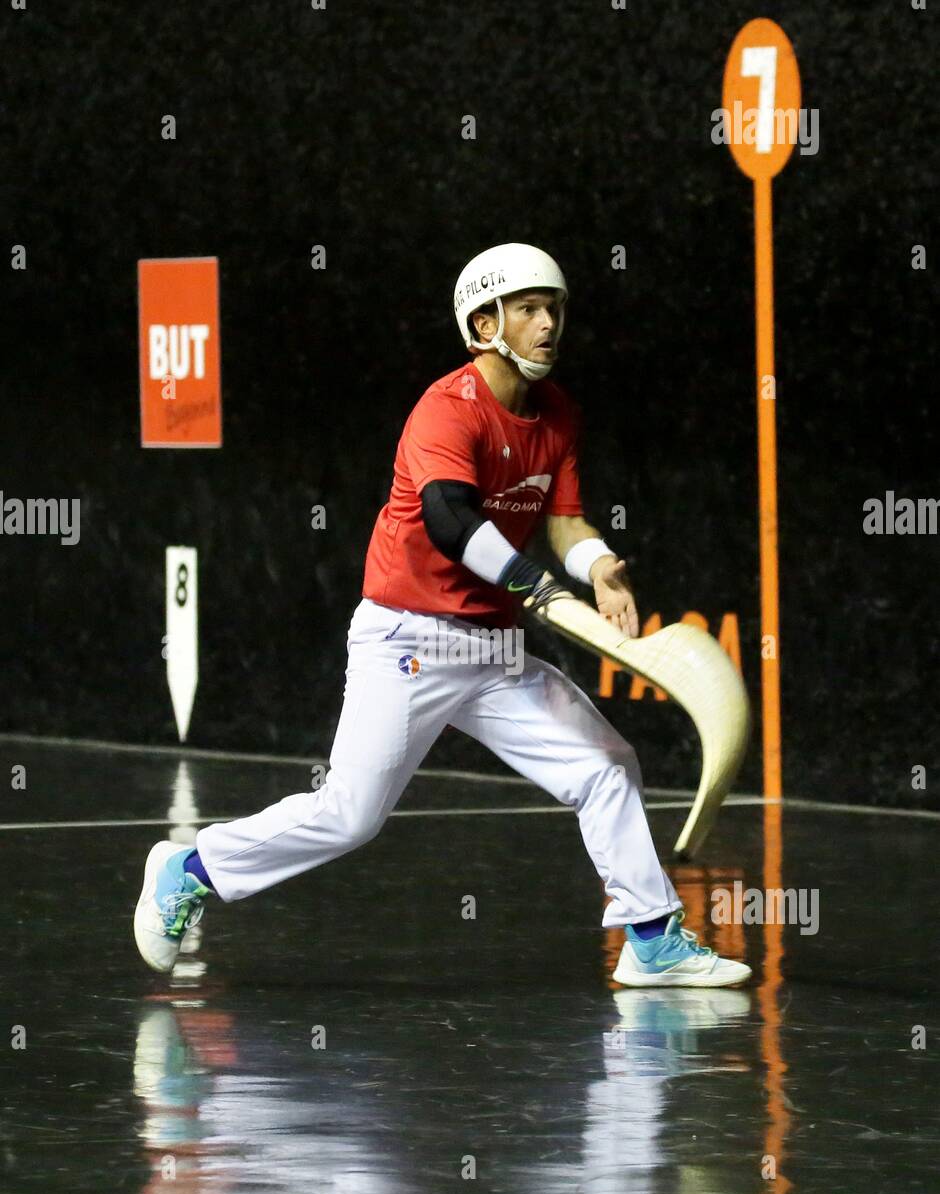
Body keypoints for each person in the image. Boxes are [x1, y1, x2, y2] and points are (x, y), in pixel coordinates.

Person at [134, 243, 751, 989]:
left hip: (494, 650)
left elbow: (563, 522)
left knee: (605, 766)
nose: (548, 323)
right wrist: (534, 585)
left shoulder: (556, 415)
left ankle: (651, 939)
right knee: (351, 816)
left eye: (554, 307)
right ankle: (189, 870)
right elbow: (450, 521)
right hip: (408, 640)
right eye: (528, 309)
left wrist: (596, 567)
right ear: (484, 323)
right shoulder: (445, 408)